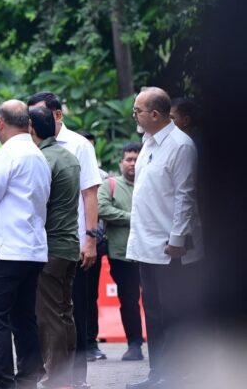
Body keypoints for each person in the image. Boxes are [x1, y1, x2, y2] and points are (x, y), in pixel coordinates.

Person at [0, 100, 51, 389]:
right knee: (23, 314)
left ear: (0, 124)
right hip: (32, 249)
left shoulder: (7, 156)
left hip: (6, 251)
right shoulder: (38, 155)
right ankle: (30, 372)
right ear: (28, 123)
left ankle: (3, 379)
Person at [125, 87, 203, 389]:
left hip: (170, 247)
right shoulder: (148, 143)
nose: (135, 115)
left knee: (171, 313)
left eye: (138, 110)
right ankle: (157, 373)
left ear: (155, 114)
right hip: (145, 244)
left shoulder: (181, 146)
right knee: (154, 313)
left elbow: (185, 197)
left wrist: (177, 238)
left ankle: (173, 374)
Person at [28, 92, 102, 389]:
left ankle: (69, 377)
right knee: (63, 311)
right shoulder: (44, 151)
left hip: (70, 241)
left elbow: (91, 194)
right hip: (61, 242)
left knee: (65, 313)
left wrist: (91, 239)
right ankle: (65, 376)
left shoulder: (78, 146)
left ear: (57, 114)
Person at [29, 106, 81, 388]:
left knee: (50, 317)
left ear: (31, 130)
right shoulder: (67, 156)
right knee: (64, 313)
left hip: (50, 246)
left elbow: (37, 203)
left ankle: (57, 377)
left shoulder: (43, 159)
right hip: (69, 245)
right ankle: (67, 375)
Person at [97, 142, 145, 362]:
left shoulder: (150, 182)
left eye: (136, 159)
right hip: (121, 254)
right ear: (121, 162)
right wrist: (133, 217)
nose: (133, 164)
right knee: (129, 299)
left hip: (152, 252)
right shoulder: (111, 185)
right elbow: (103, 209)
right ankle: (134, 344)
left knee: (158, 300)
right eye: (129, 159)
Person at [78, 131, 109, 362]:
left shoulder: (103, 177)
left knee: (90, 295)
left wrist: (93, 238)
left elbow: (104, 209)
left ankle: (91, 341)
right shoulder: (68, 170)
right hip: (71, 242)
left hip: (93, 242)